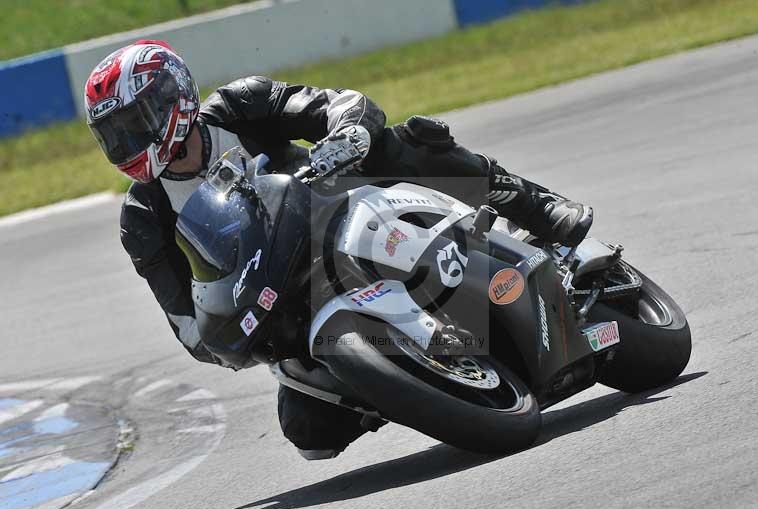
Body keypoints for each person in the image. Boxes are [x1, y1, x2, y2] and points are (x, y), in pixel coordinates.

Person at [86, 40, 592, 459]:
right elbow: (188, 327)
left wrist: (346, 131)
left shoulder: (242, 104)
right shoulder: (144, 219)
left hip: (346, 211)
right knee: (308, 432)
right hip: (286, 304)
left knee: (408, 141)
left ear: (174, 95)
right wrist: (228, 333)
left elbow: (340, 104)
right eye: (114, 135)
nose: (128, 143)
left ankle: (531, 203)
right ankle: (412, 382)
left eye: (135, 123)